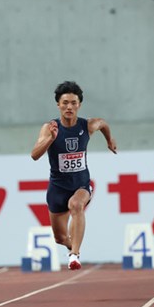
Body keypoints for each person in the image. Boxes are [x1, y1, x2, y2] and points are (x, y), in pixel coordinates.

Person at [30, 81, 117, 270]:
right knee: (60, 237)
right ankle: (72, 244)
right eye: (65, 103)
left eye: (73, 103)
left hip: (81, 184)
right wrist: (50, 139)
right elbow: (34, 155)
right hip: (57, 188)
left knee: (76, 205)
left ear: (79, 105)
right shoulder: (49, 128)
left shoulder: (88, 125)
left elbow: (103, 123)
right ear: (58, 105)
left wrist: (109, 139)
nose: (69, 107)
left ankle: (74, 255)